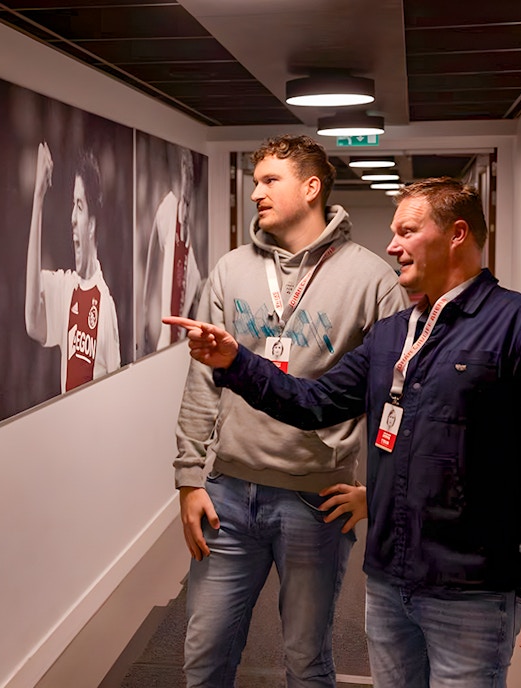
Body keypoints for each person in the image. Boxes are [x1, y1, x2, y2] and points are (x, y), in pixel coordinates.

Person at [166, 177, 521, 687]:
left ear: (458, 234)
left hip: (471, 589)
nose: (392, 245)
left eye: (408, 231)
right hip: (389, 578)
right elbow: (314, 403)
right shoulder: (395, 333)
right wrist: (237, 362)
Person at [173, 135, 409, 688]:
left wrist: (375, 490)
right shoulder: (231, 271)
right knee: (203, 654)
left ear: (311, 187)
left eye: (269, 180)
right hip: (227, 491)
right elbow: (202, 380)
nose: (255, 192)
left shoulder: (372, 279)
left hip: (316, 500)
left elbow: (395, 398)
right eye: (255, 181)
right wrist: (188, 478)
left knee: (306, 661)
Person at [25, 142, 121, 392]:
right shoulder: (66, 287)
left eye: (79, 206)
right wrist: (38, 198)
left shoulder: (105, 306)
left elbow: (117, 391)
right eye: (72, 205)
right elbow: (32, 321)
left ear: (91, 225)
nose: (72, 218)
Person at [142, 148, 203, 352]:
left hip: (176, 340)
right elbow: (151, 264)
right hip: (163, 339)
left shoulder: (189, 249)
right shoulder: (167, 211)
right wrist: (144, 311)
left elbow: (193, 283)